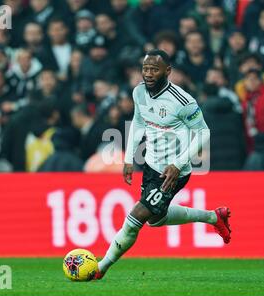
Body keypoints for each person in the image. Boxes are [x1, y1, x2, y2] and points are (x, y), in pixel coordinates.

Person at [92, 50, 231, 280]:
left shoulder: (183, 101)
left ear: (167, 71)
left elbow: (204, 133)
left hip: (174, 172)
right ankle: (214, 217)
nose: (148, 73)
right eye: (145, 68)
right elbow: (138, 122)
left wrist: (178, 164)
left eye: (154, 69)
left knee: (136, 216)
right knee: (156, 220)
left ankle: (100, 267)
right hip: (151, 165)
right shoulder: (138, 92)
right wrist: (128, 158)